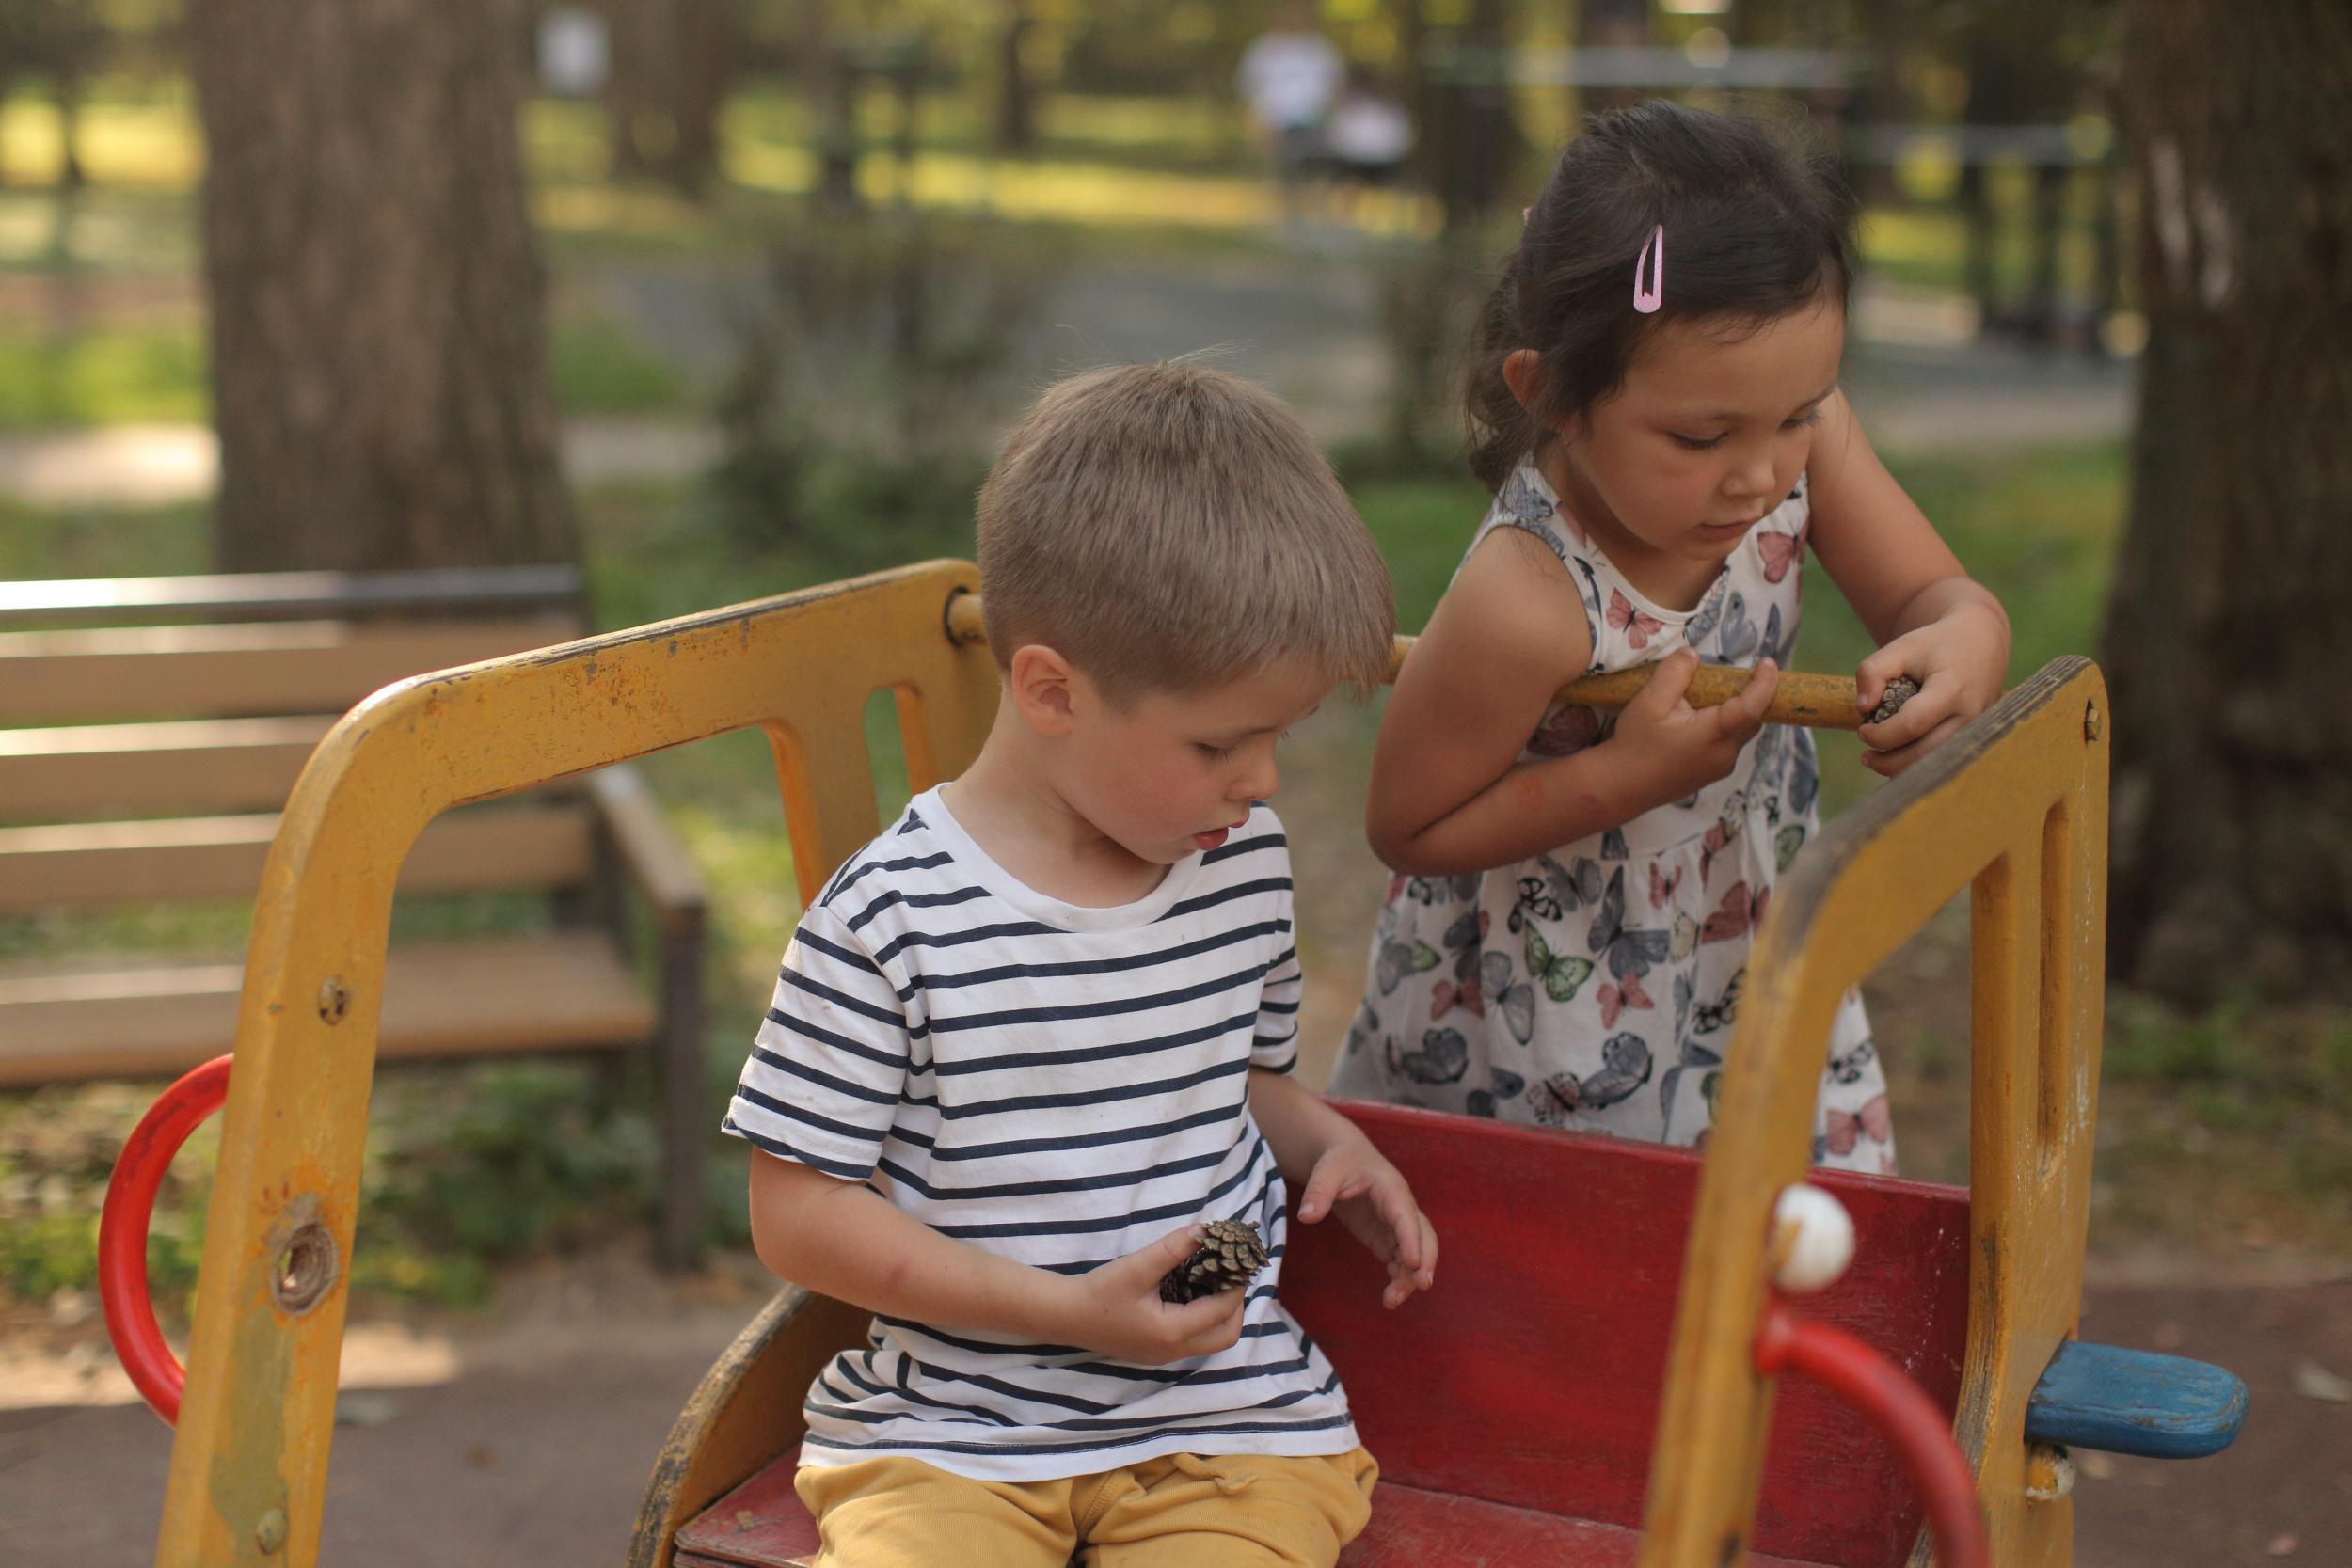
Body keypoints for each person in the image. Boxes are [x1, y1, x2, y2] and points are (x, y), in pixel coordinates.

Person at [723, 360, 1436, 1568]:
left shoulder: (1238, 859)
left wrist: (1331, 1146)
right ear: (1051, 689)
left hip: (1225, 1421)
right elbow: (796, 1214)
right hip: (954, 1433)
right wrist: (1064, 1312)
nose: (1262, 779)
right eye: (1219, 742)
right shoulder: (892, 918)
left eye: (1281, 734)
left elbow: (1237, 1083)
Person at [1328, 103, 2011, 1175]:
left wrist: (1971, 633)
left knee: (1777, 1224)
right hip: (1551, 1001)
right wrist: (1623, 779)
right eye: (1700, 437)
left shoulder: (1796, 444)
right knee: (1579, 1248)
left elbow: (1934, 592)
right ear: (1551, 393)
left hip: (1745, 941)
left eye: (1799, 414)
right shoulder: (1526, 598)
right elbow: (1407, 826)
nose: (1760, 474)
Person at [1236, 2, 1344, 205]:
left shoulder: (1320, 49)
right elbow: (1249, 93)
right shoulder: (1263, 49)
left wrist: (1331, 123)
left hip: (1314, 123)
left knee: (1318, 164)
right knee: (1280, 164)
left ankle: (1312, 204)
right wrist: (1258, 126)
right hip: (1273, 124)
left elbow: (1335, 91)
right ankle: (1280, 204)